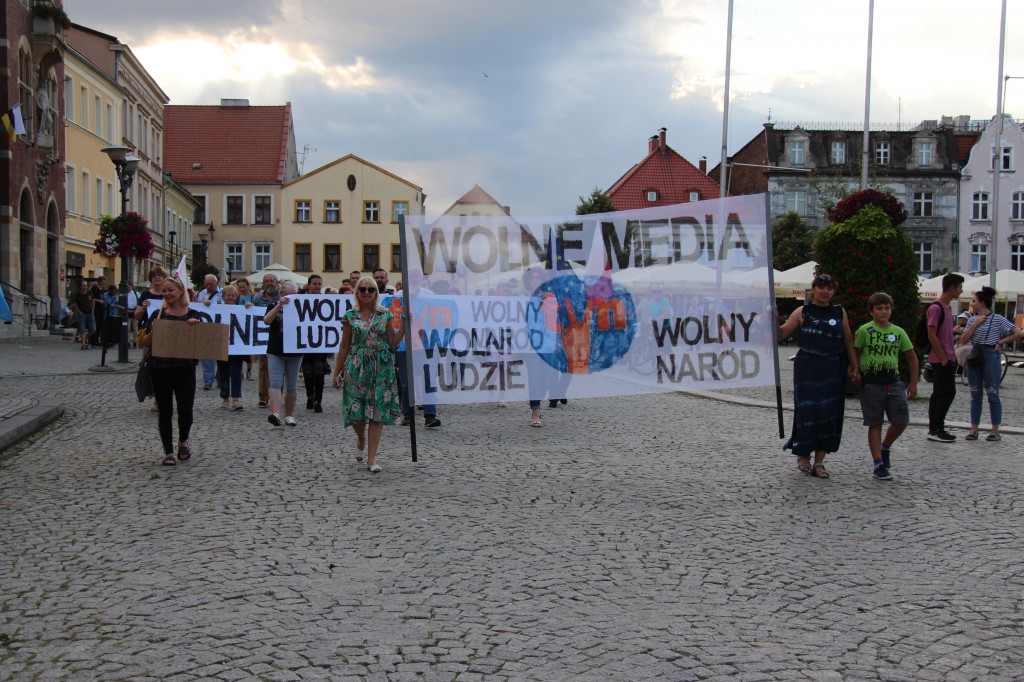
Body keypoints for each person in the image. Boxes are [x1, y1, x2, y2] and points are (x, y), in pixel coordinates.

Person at [778, 274, 859, 479]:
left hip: (833, 368)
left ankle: (820, 460)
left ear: (833, 291)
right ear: (813, 289)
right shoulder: (802, 311)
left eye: (829, 288)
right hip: (808, 368)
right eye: (821, 287)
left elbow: (848, 341)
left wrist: (854, 366)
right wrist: (773, 318)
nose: (825, 291)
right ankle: (803, 455)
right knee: (808, 411)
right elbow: (781, 335)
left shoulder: (839, 312)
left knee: (829, 413)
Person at [332, 276, 402, 473]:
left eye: (370, 290)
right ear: (357, 292)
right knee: (355, 412)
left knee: (377, 413)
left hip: (381, 367)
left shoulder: (384, 314)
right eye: (362, 289)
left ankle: (372, 458)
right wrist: (337, 372)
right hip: (357, 366)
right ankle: (361, 437)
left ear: (375, 294)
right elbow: (344, 346)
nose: (366, 292)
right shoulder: (350, 316)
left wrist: (404, 326)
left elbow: (393, 341)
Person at [853, 292, 918, 481]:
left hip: (894, 382)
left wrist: (913, 383)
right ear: (871, 311)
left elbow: (912, 357)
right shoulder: (865, 330)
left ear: (891, 310)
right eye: (879, 308)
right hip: (871, 384)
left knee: (901, 419)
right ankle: (878, 463)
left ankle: (886, 446)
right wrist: (855, 371)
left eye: (886, 308)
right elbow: (855, 353)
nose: (883, 312)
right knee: (875, 423)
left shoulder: (898, 332)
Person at [140, 274, 203, 466]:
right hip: (160, 367)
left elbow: (201, 341)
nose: (167, 294)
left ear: (181, 292)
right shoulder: (157, 315)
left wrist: (195, 327)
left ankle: (183, 441)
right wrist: (153, 330)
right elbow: (143, 342)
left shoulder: (192, 314)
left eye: (170, 290)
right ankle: (168, 451)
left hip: (184, 368)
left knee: (185, 410)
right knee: (165, 411)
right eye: (164, 291)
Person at [959, 286, 1024, 442]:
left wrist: (1001, 342)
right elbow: (963, 340)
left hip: (990, 355)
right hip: (976, 355)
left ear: (982, 302)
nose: (972, 304)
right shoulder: (972, 319)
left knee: (993, 394)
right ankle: (974, 429)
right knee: (975, 395)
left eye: (974, 301)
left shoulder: (998, 319)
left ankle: (995, 430)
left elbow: (1018, 333)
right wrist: (974, 324)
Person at [925, 273, 965, 443]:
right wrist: (942, 357)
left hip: (948, 356)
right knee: (947, 393)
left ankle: (934, 427)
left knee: (939, 393)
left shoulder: (947, 308)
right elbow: (931, 334)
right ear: (952, 288)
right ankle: (937, 428)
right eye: (960, 287)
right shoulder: (936, 307)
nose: (961, 291)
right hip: (941, 358)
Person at [263, 281, 302, 426]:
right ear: (282, 294)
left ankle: (289, 415)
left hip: (295, 350)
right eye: (289, 294)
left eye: (295, 293)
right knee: (275, 382)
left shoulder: (300, 307)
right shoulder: (273, 306)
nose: (292, 297)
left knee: (292, 385)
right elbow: (266, 320)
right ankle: (276, 413)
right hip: (276, 349)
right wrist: (279, 305)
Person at [211, 285, 246, 411]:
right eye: (228, 295)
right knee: (223, 373)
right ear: (223, 297)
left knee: (236, 372)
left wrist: (249, 308)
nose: (230, 297)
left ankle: (236, 399)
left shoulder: (241, 309)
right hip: (221, 346)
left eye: (233, 295)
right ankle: (225, 399)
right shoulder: (217, 309)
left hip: (236, 347)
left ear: (236, 296)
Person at [301, 274, 331, 413]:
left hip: (321, 343)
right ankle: (310, 396)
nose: (317, 286)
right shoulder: (300, 300)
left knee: (319, 372)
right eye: (315, 284)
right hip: (305, 343)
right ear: (309, 285)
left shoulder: (325, 300)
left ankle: (318, 401)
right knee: (308, 373)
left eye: (319, 284)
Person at [252, 274, 281, 407]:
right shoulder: (257, 298)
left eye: (272, 281)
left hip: (278, 337)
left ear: (277, 283)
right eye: (267, 281)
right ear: (263, 284)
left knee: (280, 368)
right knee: (263, 366)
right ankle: (263, 396)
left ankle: (278, 394)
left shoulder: (282, 297)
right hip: (262, 337)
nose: (269, 283)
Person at [196, 274, 223, 390]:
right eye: (206, 284)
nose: (208, 286)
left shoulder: (222, 293)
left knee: (221, 356)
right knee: (207, 356)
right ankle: (208, 380)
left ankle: (220, 379)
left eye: (210, 284)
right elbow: (198, 308)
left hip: (220, 327)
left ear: (216, 283)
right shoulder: (202, 294)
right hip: (206, 328)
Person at [235, 277, 256, 379]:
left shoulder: (253, 297)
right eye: (240, 287)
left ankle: (249, 370)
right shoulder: (237, 297)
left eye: (243, 287)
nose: (242, 289)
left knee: (249, 350)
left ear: (248, 286)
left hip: (250, 324)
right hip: (239, 324)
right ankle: (240, 370)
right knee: (239, 349)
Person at [70, 278, 96, 350]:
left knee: (93, 329)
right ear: (80, 286)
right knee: (82, 329)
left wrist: (93, 311)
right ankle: (83, 344)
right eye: (84, 285)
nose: (85, 287)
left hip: (90, 313)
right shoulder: (77, 295)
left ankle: (86, 339)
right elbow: (74, 304)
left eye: (86, 285)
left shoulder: (89, 293)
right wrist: (79, 312)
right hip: (82, 314)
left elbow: (93, 302)